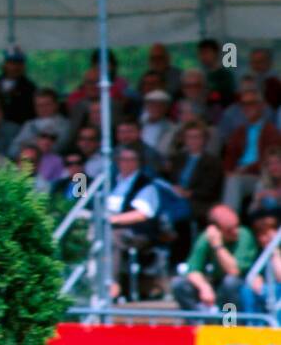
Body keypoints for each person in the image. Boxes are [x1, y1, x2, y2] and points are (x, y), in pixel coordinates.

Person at [171, 205, 256, 314]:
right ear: (216, 230)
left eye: (237, 226)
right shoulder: (206, 237)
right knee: (179, 284)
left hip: (240, 285)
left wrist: (218, 246)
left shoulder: (244, 235)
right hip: (216, 284)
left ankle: (229, 324)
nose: (235, 231)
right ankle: (198, 324)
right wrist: (204, 287)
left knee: (230, 283)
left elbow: (234, 271)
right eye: (229, 229)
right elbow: (192, 270)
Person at [107, 145, 162, 300]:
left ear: (138, 162)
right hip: (106, 226)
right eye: (123, 159)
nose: (127, 163)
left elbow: (142, 214)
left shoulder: (146, 184)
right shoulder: (110, 181)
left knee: (111, 237)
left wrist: (112, 220)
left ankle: (112, 284)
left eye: (131, 160)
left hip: (137, 232)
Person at [223, 90, 281, 213]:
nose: (247, 108)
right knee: (231, 180)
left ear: (261, 106)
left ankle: (230, 220)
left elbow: (270, 160)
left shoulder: (271, 131)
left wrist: (246, 169)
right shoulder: (239, 131)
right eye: (244, 104)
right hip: (239, 175)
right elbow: (229, 156)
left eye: (251, 103)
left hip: (260, 175)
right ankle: (227, 220)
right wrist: (228, 171)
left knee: (236, 181)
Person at [168, 121, 224, 225]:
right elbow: (172, 180)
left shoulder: (212, 162)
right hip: (176, 197)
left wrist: (187, 193)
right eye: (189, 137)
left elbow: (209, 190)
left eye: (197, 137)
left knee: (171, 213)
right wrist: (174, 189)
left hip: (198, 202)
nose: (193, 141)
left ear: (204, 139)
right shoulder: (179, 158)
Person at [0, 47, 37, 125]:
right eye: (11, 63)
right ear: (5, 64)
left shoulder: (29, 87)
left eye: (18, 63)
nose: (15, 67)